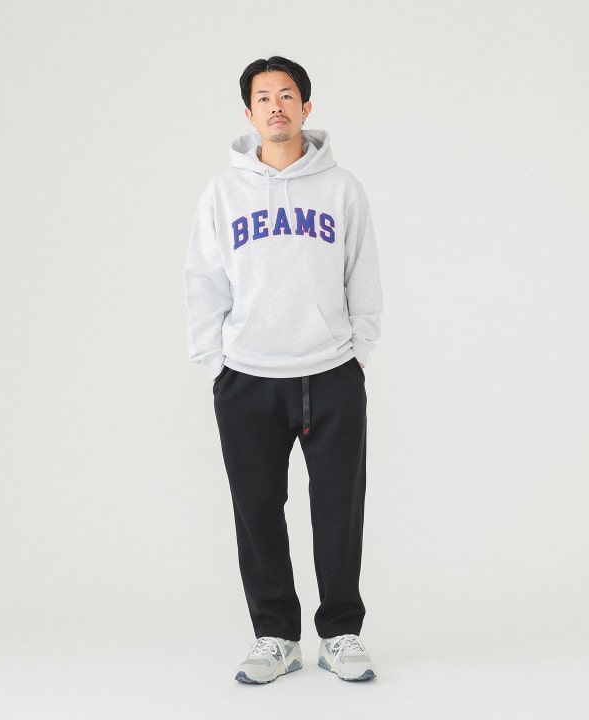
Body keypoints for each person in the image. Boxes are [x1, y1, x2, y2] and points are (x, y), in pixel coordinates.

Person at [183, 56, 383, 683]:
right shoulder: (223, 192)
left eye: (287, 94)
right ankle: (276, 635)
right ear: (249, 113)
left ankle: (341, 634)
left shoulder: (342, 188)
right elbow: (203, 279)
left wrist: (355, 352)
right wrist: (216, 364)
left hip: (331, 373)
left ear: (306, 107)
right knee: (257, 511)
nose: (276, 106)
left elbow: (363, 274)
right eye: (264, 97)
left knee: (339, 509)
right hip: (247, 377)